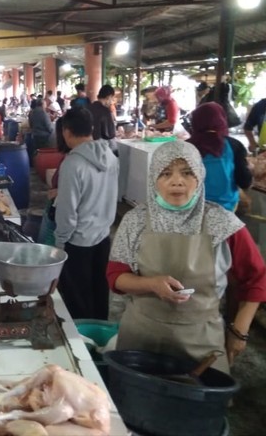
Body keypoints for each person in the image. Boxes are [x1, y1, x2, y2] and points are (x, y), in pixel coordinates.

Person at [108, 140, 266, 372]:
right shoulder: (136, 221)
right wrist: (150, 284)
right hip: (141, 338)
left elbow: (256, 279)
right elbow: (115, 276)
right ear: (154, 179)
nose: (177, 181)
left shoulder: (223, 224)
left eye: (187, 172)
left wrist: (239, 331)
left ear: (199, 177)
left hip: (200, 344)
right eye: (165, 173)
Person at [54, 107, 119, 320]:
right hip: (102, 237)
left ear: (66, 131)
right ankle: (100, 339)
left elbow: (67, 210)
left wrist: (60, 242)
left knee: (77, 301)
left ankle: (82, 346)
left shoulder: (73, 163)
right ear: (91, 129)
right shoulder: (110, 155)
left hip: (78, 242)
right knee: (100, 294)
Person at [188, 102, 252, 212]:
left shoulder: (185, 146)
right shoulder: (234, 145)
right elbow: (245, 182)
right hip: (226, 207)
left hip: (192, 206)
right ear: (221, 120)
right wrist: (250, 168)